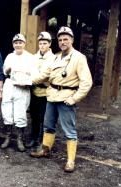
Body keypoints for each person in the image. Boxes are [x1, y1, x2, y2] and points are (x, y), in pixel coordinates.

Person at [30, 26, 93, 172]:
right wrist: (27, 80)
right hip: (51, 96)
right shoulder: (56, 57)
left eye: (66, 39)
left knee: (69, 130)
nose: (63, 42)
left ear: (72, 40)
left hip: (66, 98)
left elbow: (86, 82)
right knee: (48, 125)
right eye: (60, 39)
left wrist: (75, 98)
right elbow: (44, 75)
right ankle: (45, 150)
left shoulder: (79, 58)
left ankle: (70, 161)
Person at [0, 33, 37, 151]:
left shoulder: (30, 57)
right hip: (10, 85)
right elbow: (4, 72)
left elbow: (35, 74)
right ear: (13, 44)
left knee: (20, 113)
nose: (18, 45)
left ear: (24, 44)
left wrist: (27, 82)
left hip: (22, 87)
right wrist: (8, 69)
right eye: (16, 43)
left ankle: (20, 139)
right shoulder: (9, 56)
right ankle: (8, 137)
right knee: (7, 111)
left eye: (20, 42)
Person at [28, 32, 55, 151]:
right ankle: (34, 137)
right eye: (40, 43)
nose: (42, 45)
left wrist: (34, 79)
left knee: (45, 117)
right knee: (34, 116)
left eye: (45, 43)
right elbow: (31, 71)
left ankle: (42, 141)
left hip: (46, 92)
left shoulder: (53, 58)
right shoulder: (33, 57)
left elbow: (47, 76)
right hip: (34, 91)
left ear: (49, 44)